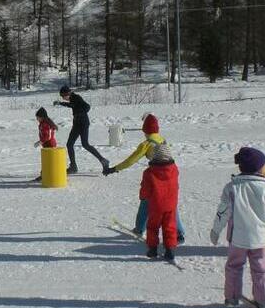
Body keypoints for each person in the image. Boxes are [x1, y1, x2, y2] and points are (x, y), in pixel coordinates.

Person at [210, 147, 265, 307]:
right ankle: (263, 299)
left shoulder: (231, 188)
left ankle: (231, 297)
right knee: (260, 269)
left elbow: (222, 212)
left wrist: (216, 230)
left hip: (237, 239)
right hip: (259, 239)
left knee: (233, 267)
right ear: (259, 168)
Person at [104, 113, 186, 243]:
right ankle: (179, 233)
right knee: (170, 203)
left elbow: (131, 160)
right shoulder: (162, 139)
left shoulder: (146, 144)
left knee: (146, 201)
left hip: (157, 175)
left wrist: (114, 169)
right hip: (171, 172)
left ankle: (139, 228)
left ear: (145, 130)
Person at [139, 141, 179, 262]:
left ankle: (152, 249)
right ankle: (170, 249)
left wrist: (142, 196)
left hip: (156, 205)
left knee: (152, 227)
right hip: (171, 204)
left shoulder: (149, 172)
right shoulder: (174, 170)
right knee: (170, 227)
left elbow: (145, 189)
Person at [53, 86, 108, 174]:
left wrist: (80, 112)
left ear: (67, 94)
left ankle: (103, 160)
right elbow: (71, 105)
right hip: (77, 124)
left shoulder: (76, 97)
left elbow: (87, 107)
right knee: (69, 144)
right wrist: (61, 103)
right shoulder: (72, 99)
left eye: (63, 96)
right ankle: (73, 167)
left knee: (85, 144)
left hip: (83, 123)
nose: (63, 98)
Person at [32, 107, 58, 182]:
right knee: (46, 162)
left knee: (48, 163)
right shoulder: (43, 123)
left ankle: (45, 176)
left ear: (42, 117)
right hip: (46, 145)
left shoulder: (45, 124)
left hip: (50, 145)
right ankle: (44, 175)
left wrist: (40, 141)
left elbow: (48, 136)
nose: (37, 119)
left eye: (38, 117)